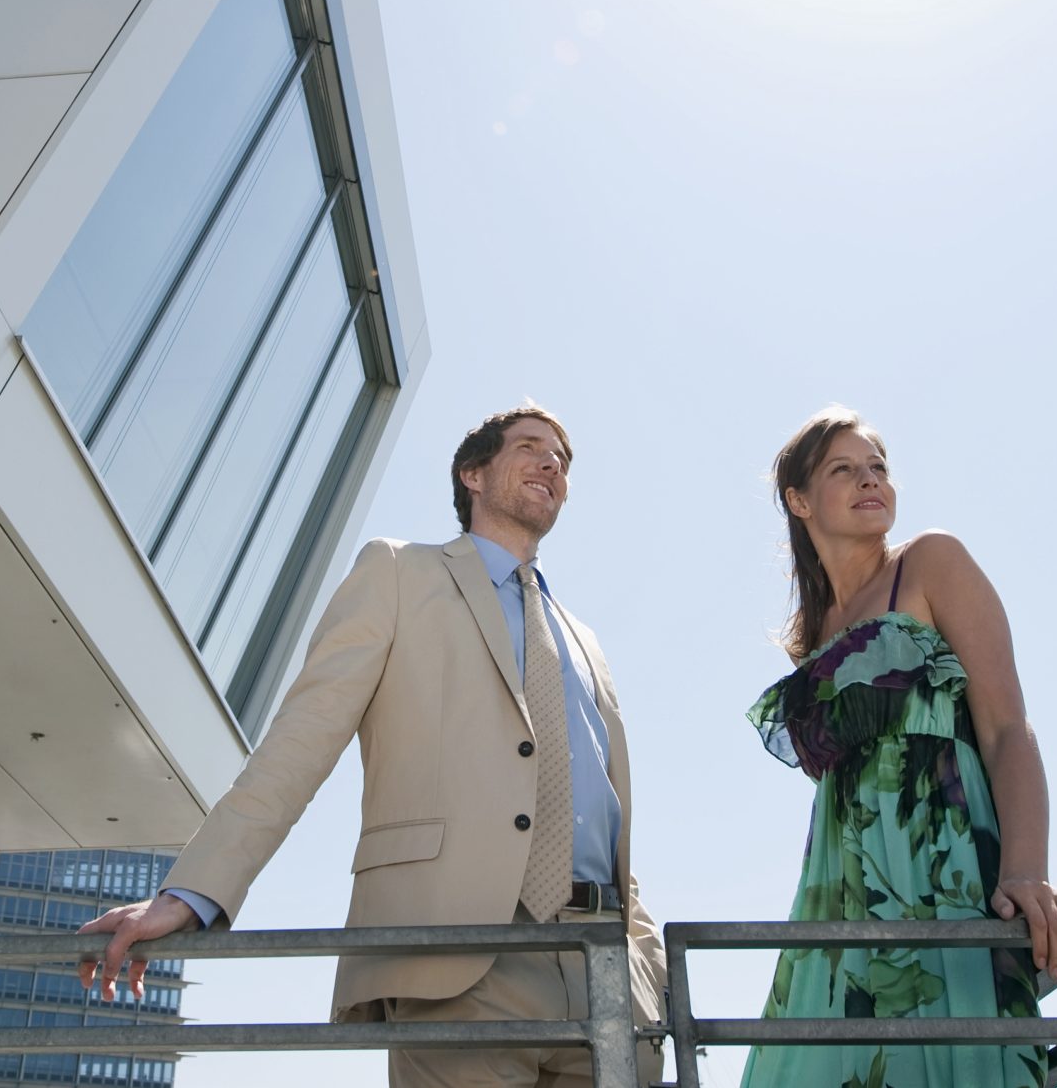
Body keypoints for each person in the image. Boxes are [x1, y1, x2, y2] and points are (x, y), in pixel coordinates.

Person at [78, 404, 667, 1087]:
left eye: (562, 458)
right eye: (530, 446)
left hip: (611, 975)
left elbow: (603, 809)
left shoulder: (583, 639)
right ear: (473, 473)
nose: (552, 463)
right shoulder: (397, 572)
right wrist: (192, 893)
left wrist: (649, 964)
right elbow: (298, 743)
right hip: (460, 955)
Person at [742, 408, 1057, 1088]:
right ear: (799, 500)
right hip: (843, 888)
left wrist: (1027, 871)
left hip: (944, 866)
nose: (869, 479)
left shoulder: (931, 562)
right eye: (843, 469)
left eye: (878, 466)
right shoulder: (812, 634)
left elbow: (1006, 727)